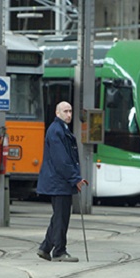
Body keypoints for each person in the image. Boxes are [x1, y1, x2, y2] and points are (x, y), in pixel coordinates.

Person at [36, 101, 89, 262]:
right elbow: (62, 160)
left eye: (70, 111)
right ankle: (59, 251)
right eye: (65, 111)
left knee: (59, 216)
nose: (69, 114)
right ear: (57, 113)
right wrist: (75, 179)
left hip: (60, 181)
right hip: (58, 182)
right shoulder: (56, 131)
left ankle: (45, 248)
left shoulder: (61, 129)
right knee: (61, 217)